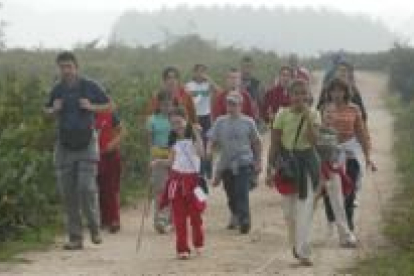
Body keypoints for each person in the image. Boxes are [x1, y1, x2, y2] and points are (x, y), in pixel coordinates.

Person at [44, 51, 110, 250]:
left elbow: (110, 106)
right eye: (62, 67)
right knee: (68, 193)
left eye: (69, 66)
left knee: (86, 188)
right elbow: (46, 112)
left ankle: (94, 228)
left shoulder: (90, 85)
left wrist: (91, 107)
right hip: (64, 144)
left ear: (76, 67)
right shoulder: (57, 89)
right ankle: (75, 237)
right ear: (59, 69)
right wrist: (53, 110)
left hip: (87, 142)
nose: (66, 71)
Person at [266, 79, 320, 266]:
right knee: (289, 213)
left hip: (307, 163)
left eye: (303, 93)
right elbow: (274, 143)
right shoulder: (282, 115)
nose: (299, 97)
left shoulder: (314, 114)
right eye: (295, 93)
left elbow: (314, 141)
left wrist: (307, 117)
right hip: (288, 165)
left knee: (304, 209)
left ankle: (304, 251)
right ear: (289, 95)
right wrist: (269, 168)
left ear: (308, 95)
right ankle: (296, 245)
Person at [318, 78, 373, 235]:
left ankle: (348, 225)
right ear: (329, 93)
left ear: (345, 92)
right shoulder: (325, 109)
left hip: (350, 152)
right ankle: (331, 216)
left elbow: (361, 133)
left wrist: (367, 155)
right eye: (334, 90)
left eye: (340, 90)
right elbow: (320, 132)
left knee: (349, 188)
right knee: (330, 189)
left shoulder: (354, 109)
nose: (337, 94)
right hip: (331, 151)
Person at [207, 91, 262, 234]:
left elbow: (256, 142)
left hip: (244, 161)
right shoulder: (220, 121)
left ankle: (245, 221)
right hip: (226, 163)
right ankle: (235, 214)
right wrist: (209, 150)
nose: (231, 107)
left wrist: (258, 161)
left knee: (241, 191)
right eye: (229, 104)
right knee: (230, 193)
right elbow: (212, 138)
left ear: (240, 106)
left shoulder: (248, 122)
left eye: (234, 104)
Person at [155, 107, 205, 260]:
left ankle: (198, 243)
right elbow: (171, 162)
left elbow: (201, 154)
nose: (177, 126)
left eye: (179, 122)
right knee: (179, 218)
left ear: (186, 119)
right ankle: (182, 249)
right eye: (173, 123)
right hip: (176, 181)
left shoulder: (194, 136)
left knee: (196, 218)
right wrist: (158, 162)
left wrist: (196, 133)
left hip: (193, 181)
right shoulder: (173, 140)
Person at [185, 64, 220, 179]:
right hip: (194, 117)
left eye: (203, 72)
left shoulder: (208, 84)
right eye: (198, 71)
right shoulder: (189, 85)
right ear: (194, 72)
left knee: (207, 143)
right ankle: (199, 170)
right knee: (196, 144)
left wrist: (209, 80)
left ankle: (208, 169)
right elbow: (186, 96)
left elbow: (219, 91)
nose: (200, 74)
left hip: (206, 116)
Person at [146, 90, 173, 234]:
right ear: (159, 105)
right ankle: (160, 219)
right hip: (158, 155)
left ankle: (172, 219)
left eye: (169, 104)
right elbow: (150, 142)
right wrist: (152, 158)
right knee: (160, 189)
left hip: (175, 155)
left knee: (174, 188)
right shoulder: (152, 120)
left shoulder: (177, 118)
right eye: (163, 104)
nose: (167, 107)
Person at [95, 103, 124, 234]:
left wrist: (113, 143)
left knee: (111, 188)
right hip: (93, 155)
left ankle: (114, 220)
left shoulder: (110, 113)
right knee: (98, 189)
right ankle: (103, 219)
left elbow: (122, 131)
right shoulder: (87, 114)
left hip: (110, 154)